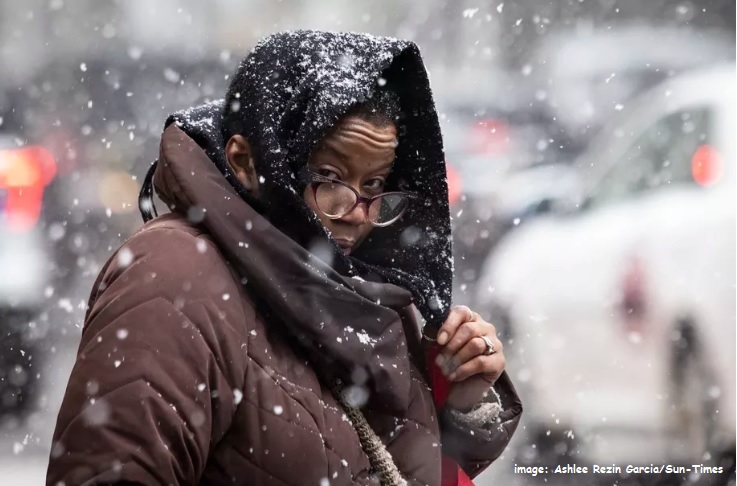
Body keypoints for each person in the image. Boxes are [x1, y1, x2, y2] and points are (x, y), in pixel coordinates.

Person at [47, 30, 522, 486]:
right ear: (245, 162)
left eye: (374, 186)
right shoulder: (171, 279)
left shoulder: (355, 287)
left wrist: (461, 403)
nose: (356, 214)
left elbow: (382, 463)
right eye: (331, 177)